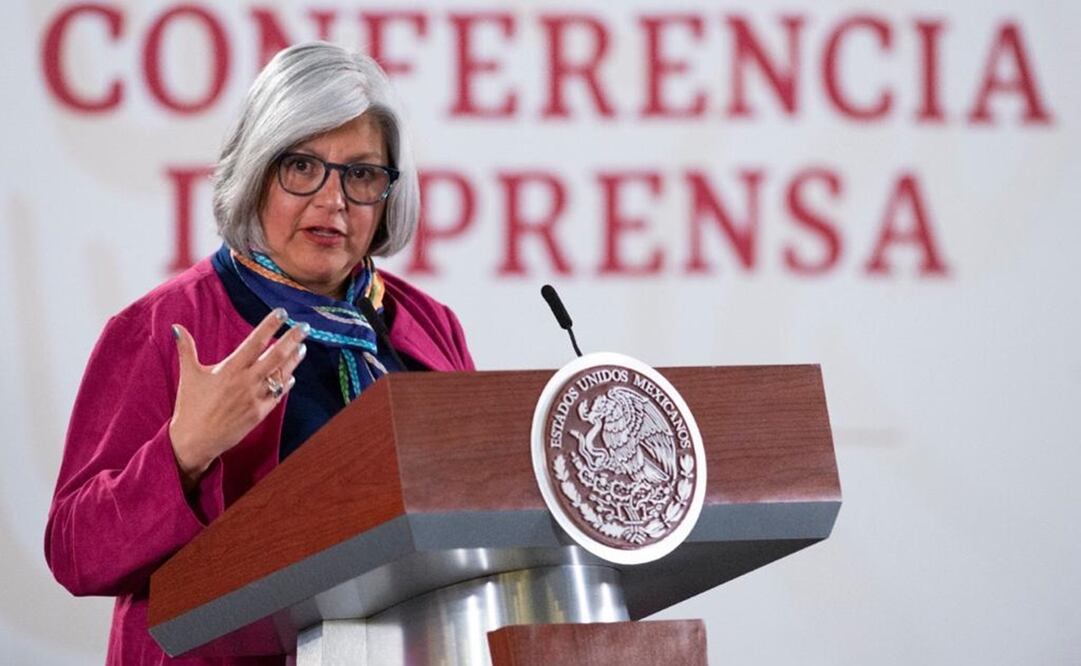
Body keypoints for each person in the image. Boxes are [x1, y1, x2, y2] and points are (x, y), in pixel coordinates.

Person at [44, 42, 474, 665]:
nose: (333, 202)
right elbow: (75, 551)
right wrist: (183, 453)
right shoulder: (165, 326)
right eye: (303, 167)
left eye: (361, 175)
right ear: (256, 170)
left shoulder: (427, 326)